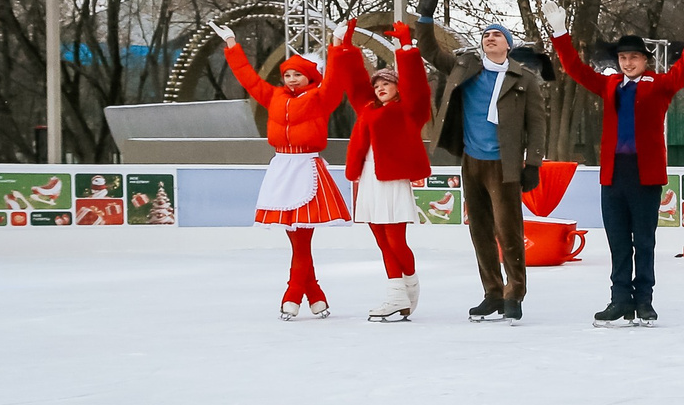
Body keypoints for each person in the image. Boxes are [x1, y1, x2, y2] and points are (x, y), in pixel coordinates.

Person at [549, 0, 684, 328]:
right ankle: (620, 299)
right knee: (618, 241)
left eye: (634, 57)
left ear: (645, 60)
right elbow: (575, 70)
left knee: (644, 241)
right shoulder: (609, 84)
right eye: (622, 57)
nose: (627, 62)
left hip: (645, 174)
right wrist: (560, 34)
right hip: (613, 175)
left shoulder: (660, 84)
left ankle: (644, 301)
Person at [216, 18, 353, 319]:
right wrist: (232, 47)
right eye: (287, 74)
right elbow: (249, 79)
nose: (291, 79)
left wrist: (338, 44)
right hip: (281, 167)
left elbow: (334, 79)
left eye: (297, 74)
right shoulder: (274, 96)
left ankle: (293, 294)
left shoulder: (319, 98)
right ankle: (315, 294)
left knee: (302, 238)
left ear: (309, 77)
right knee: (296, 238)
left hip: (306, 167)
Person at [435, 21, 549, 324]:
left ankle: (515, 293)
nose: (490, 38)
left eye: (497, 35)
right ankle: (493, 293)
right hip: (472, 161)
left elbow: (537, 123)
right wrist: (423, 19)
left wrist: (533, 163)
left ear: (508, 44)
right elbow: (431, 52)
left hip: (504, 163)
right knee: (481, 231)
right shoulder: (466, 69)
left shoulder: (524, 77)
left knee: (508, 231)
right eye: (486, 35)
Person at [331, 20, 433, 322]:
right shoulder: (368, 108)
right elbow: (355, 80)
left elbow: (417, 86)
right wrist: (345, 47)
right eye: (377, 85)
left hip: (392, 179)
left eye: (386, 83)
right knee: (380, 237)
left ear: (398, 88)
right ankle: (395, 294)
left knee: (395, 239)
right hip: (370, 177)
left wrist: (406, 48)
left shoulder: (409, 109)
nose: (379, 88)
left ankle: (410, 285)